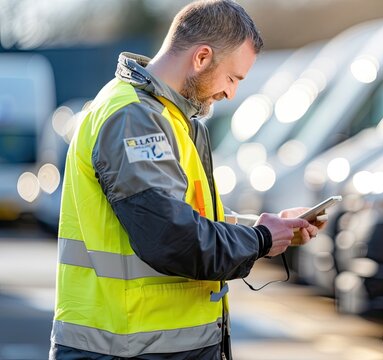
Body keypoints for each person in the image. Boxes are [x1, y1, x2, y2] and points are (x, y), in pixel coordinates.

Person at [49, 1, 321, 359]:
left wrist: (269, 228)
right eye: (232, 77)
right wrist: (260, 239)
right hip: (126, 349)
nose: (231, 93)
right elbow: (170, 236)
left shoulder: (169, 117)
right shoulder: (133, 118)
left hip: (149, 346)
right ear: (202, 57)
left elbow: (190, 218)